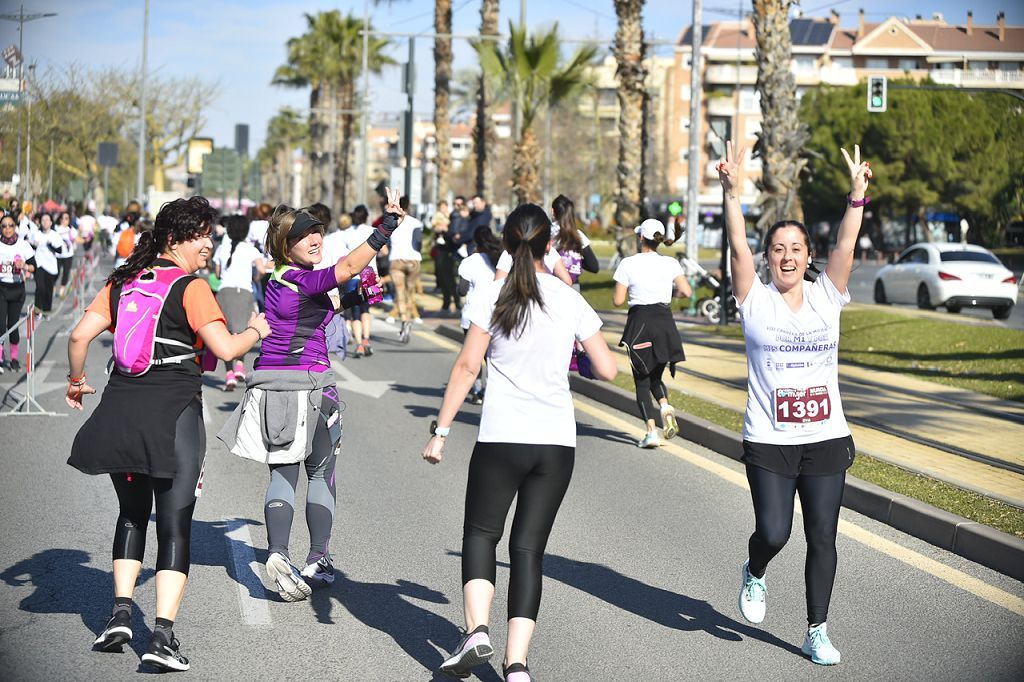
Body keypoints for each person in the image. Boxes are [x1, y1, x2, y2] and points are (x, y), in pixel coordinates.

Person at [65, 196, 271, 672]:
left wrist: (77, 382)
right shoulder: (192, 287)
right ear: (176, 239)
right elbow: (223, 350)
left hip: (120, 411)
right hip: (174, 415)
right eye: (201, 234)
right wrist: (256, 330)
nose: (209, 242)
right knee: (174, 524)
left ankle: (119, 614)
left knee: (132, 514)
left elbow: (79, 337)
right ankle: (161, 636)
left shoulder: (123, 281)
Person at [422, 203, 617, 682]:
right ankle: (517, 666)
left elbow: (468, 367)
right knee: (528, 550)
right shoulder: (568, 299)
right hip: (556, 443)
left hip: (503, 437)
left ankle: (477, 631)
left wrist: (441, 431)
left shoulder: (491, 294)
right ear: (550, 245)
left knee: (482, 534)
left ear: (507, 246)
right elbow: (608, 369)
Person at [719, 141, 870, 666]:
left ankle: (816, 630)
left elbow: (847, 247)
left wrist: (856, 198)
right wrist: (731, 191)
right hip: (768, 439)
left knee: (823, 535)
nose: (787, 257)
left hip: (826, 436)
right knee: (776, 531)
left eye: (796, 249)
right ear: (769, 258)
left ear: (809, 256)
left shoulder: (828, 296)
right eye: (778, 249)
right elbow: (737, 245)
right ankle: (754, 569)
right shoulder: (754, 300)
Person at [217, 189, 404, 602]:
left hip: (273, 387)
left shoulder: (282, 280)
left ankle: (278, 554)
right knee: (320, 474)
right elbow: (347, 268)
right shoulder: (299, 276)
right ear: (286, 246)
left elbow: (323, 304)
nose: (317, 239)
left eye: (319, 232)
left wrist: (359, 295)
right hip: (313, 385)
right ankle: (317, 557)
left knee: (282, 473)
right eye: (307, 236)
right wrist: (386, 226)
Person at [612, 218, 692, 448]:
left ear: (640, 238)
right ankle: (665, 406)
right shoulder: (670, 263)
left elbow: (617, 301)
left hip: (640, 324)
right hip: (665, 323)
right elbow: (686, 291)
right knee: (656, 375)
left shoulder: (628, 264)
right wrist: (668, 294)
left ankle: (651, 433)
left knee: (642, 381)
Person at [212, 214, 267, 390]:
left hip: (225, 293)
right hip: (244, 293)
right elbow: (261, 270)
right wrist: (256, 278)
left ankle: (229, 375)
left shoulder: (222, 248)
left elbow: (218, 274)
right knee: (243, 332)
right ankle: (241, 368)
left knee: (227, 334)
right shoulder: (251, 249)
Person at [456, 225, 501, 404]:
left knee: (473, 358)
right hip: (496, 315)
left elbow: (462, 290)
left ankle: (477, 391)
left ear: (474, 241)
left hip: (473, 316)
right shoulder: (499, 260)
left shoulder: (469, 262)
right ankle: (493, 391)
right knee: (492, 357)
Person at [0, 213, 35, 373]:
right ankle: (0, 357)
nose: (7, 229)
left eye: (10, 225)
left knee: (13, 325)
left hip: (17, 289)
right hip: (1, 288)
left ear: (15, 227)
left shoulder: (23, 245)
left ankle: (14, 358)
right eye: (4, 226)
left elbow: (35, 266)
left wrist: (25, 266)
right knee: (0, 325)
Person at [342, 205, 377, 357]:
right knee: (366, 309)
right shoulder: (372, 231)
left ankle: (358, 345)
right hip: (369, 273)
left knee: (355, 312)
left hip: (352, 274)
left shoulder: (346, 233)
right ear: (366, 216)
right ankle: (367, 340)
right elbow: (383, 251)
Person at [388, 195, 424, 330]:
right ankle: (412, 315)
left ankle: (404, 318)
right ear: (408, 207)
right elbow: (419, 242)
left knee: (400, 291)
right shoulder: (416, 223)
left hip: (397, 259)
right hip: (413, 259)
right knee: (410, 291)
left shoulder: (392, 222)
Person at [28, 212, 62, 315]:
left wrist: (51, 245)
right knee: (40, 288)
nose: (45, 222)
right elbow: (31, 248)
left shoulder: (55, 235)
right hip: (39, 264)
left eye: (47, 220)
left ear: (51, 222)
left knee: (48, 290)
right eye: (43, 220)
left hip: (51, 266)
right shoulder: (37, 234)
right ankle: (38, 311)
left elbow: (59, 250)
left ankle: (47, 310)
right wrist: (33, 245)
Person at [432, 199, 461, 315]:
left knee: (450, 279)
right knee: (443, 278)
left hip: (449, 250)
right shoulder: (438, 216)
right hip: (441, 249)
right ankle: (446, 302)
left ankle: (457, 302)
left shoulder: (454, 217)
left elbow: (453, 231)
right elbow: (434, 227)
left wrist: (445, 228)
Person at [55, 211, 81, 298]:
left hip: (68, 255)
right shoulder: (56, 228)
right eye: (63, 218)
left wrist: (86, 239)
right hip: (57, 255)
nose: (65, 220)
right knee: (56, 272)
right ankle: (53, 287)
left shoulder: (71, 230)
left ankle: (62, 290)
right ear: (60, 219)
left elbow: (77, 239)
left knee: (66, 272)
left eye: (67, 218)